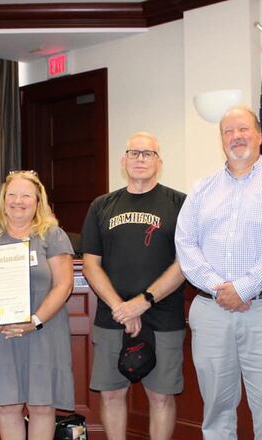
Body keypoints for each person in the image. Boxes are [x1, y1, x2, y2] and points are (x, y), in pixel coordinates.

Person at [175, 107, 262, 439]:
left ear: (260, 135)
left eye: (243, 129)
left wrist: (244, 288)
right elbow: (185, 244)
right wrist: (220, 288)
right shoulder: (202, 189)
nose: (236, 137)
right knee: (216, 411)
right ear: (221, 139)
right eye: (228, 131)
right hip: (211, 310)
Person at [80, 132, 187, 440]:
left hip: (163, 315)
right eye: (134, 153)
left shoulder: (180, 204)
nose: (141, 159)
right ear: (123, 160)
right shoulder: (102, 206)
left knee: (161, 397)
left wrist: (143, 302)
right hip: (112, 315)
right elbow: (90, 264)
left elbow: (184, 264)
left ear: (159, 162)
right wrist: (121, 307)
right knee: (112, 394)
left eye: (148, 153)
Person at [0, 170, 75, 440]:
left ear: (38, 201)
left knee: (42, 405)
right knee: (7, 405)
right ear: (3, 199)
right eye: (12, 195)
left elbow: (64, 285)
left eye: (26, 196)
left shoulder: (52, 234)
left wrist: (35, 321)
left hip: (44, 330)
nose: (18, 201)